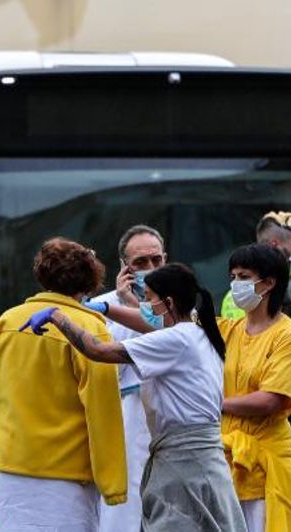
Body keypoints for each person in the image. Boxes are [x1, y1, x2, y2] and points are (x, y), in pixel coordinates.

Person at [28, 263, 247, 531]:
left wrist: (58, 316)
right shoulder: (197, 333)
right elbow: (148, 324)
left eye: (148, 299)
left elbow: (99, 351)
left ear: (167, 302)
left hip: (184, 466)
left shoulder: (177, 339)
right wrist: (106, 308)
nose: (143, 305)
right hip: (200, 463)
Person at [0, 238, 127, 531]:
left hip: (9, 475)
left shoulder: (4, 323)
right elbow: (103, 413)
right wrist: (114, 485)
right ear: (89, 282)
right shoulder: (90, 329)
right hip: (67, 481)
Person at [219, 243, 291, 532]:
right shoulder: (230, 329)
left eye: (243, 276)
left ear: (268, 283)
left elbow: (272, 400)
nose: (235, 284)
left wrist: (216, 403)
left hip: (268, 469)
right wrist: (112, 306)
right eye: (232, 277)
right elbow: (170, 328)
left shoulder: (288, 335)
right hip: (229, 464)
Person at [86, 225, 168, 532]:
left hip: (171, 427)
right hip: (122, 427)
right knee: (123, 514)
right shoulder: (100, 310)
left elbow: (173, 337)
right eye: (140, 263)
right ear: (124, 266)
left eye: (156, 260)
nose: (150, 268)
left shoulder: (183, 306)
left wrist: (134, 305)